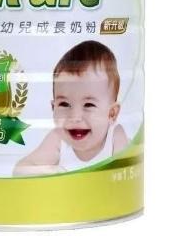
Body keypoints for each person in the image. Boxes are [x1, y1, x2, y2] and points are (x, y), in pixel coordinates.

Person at [14, 40, 129, 175]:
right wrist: (52, 172)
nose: (75, 117)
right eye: (64, 104)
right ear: (53, 108)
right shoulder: (58, 138)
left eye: (89, 104)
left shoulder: (116, 136)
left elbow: (124, 169)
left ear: (112, 114)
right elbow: (21, 169)